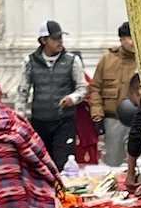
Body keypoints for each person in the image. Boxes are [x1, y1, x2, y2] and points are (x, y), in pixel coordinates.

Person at [15, 20, 88, 171]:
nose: (59, 41)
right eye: (55, 38)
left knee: (63, 163)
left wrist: (72, 98)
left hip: (64, 122)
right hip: (39, 121)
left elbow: (82, 88)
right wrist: (20, 116)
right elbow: (23, 91)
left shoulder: (72, 61)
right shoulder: (30, 62)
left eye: (61, 37)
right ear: (43, 40)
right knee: (40, 164)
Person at [89, 21, 138, 166]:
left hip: (139, 119)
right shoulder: (107, 59)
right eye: (130, 37)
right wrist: (97, 116)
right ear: (122, 39)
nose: (133, 41)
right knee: (113, 162)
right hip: (114, 119)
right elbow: (95, 88)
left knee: (139, 162)